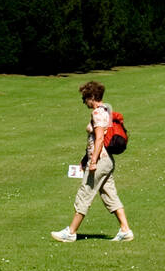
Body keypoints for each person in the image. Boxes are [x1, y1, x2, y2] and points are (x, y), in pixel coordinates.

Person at [52, 81, 134, 243]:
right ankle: (125, 230)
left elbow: (99, 139)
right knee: (109, 195)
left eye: (85, 98)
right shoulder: (106, 110)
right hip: (106, 161)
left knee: (85, 193)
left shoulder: (98, 113)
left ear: (92, 97)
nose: (84, 102)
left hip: (100, 161)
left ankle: (70, 232)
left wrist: (93, 161)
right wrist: (85, 158)